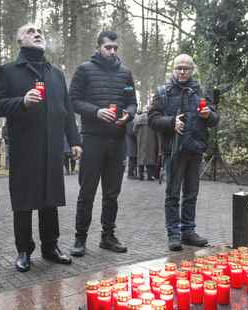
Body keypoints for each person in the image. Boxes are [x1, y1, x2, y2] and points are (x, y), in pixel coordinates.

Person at [0, 24, 82, 272]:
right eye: (30, 31)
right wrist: (22, 102)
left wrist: (74, 140)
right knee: (23, 201)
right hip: (24, 147)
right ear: (20, 40)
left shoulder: (56, 74)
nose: (37, 33)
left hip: (52, 147)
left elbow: (67, 111)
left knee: (50, 198)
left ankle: (50, 247)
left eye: (40, 31)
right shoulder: (8, 71)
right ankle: (23, 251)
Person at [69, 31, 137, 257]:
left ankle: (108, 236)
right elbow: (73, 101)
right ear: (99, 47)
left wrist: (128, 114)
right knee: (87, 191)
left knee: (112, 193)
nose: (113, 51)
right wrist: (96, 112)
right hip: (92, 139)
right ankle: (80, 239)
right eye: (108, 47)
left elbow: (132, 102)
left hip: (117, 141)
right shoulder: (84, 70)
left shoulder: (126, 73)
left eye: (115, 47)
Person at [148, 54, 220, 251]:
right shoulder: (163, 92)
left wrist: (208, 115)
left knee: (191, 193)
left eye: (186, 68)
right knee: (172, 194)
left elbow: (214, 119)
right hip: (174, 151)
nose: (182, 71)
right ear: (173, 69)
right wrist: (171, 122)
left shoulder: (201, 91)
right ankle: (174, 233)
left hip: (195, 149)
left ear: (192, 70)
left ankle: (188, 231)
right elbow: (152, 119)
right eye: (179, 67)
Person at [134, 105, 159, 181]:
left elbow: (134, 130)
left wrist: (138, 135)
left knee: (141, 157)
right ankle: (149, 176)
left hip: (140, 139)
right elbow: (157, 130)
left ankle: (140, 176)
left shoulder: (138, 118)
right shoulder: (153, 118)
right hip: (151, 140)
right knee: (150, 157)